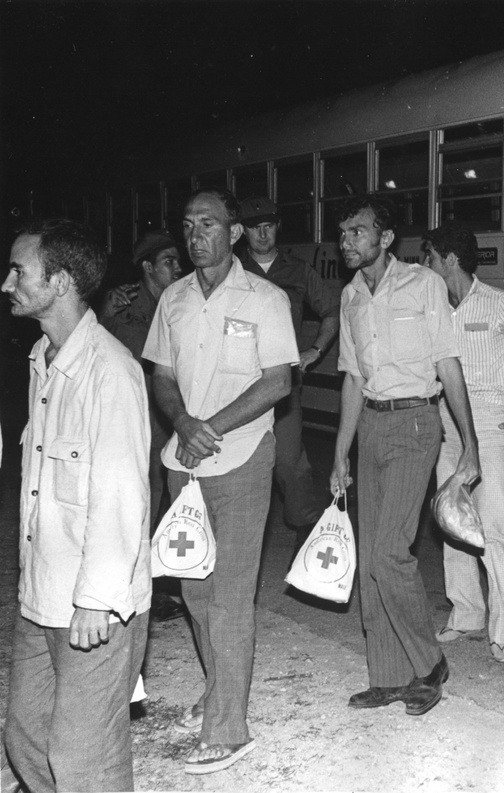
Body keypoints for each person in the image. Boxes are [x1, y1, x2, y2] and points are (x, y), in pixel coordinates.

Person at [143, 188, 299, 775]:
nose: (195, 235)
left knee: (230, 595)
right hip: (183, 463)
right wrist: (183, 421)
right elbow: (161, 374)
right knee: (193, 592)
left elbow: (278, 381)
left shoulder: (266, 298)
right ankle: (217, 691)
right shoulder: (174, 299)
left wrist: (211, 425)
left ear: (234, 232)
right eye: (187, 225)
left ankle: (229, 727)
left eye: (208, 224)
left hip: (241, 458)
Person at [2, 218, 151, 792]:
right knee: (27, 736)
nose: (7, 282)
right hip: (42, 596)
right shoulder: (44, 359)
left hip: (93, 605)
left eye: (20, 270)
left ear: (61, 281)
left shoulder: (109, 372)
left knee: (85, 758)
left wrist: (97, 600)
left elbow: (120, 497)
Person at [329, 195, 480, 716]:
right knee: (369, 558)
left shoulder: (424, 284)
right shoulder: (350, 297)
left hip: (416, 421)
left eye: (357, 232)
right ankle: (389, 676)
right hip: (370, 423)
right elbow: (352, 377)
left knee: (387, 553)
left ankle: (428, 663)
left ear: (385, 238)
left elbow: (448, 362)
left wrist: (471, 444)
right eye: (343, 233)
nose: (347, 241)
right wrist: (339, 455)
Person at [423, 226, 504, 664]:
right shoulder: (434, 308)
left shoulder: (498, 302)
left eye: (430, 258)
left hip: (490, 422)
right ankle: (467, 612)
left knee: (493, 525)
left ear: (449, 260)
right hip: (447, 421)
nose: (426, 267)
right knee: (451, 518)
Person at [238, 196, 338, 545]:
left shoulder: (297, 271)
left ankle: (306, 525)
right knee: (237, 458)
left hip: (282, 382)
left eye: (268, 225)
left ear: (277, 227)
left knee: (288, 460)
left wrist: (315, 350)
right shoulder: (233, 270)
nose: (262, 233)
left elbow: (331, 311)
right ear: (242, 231)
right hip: (237, 382)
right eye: (254, 227)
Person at [99, 229, 185, 622]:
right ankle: (131, 585)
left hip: (167, 414)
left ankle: (156, 581)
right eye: (169, 261)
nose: (178, 267)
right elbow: (94, 350)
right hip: (131, 419)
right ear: (148, 267)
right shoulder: (123, 305)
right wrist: (104, 314)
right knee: (137, 499)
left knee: (167, 495)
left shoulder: (182, 300)